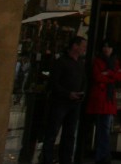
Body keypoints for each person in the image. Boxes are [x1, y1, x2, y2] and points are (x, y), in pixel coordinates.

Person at [41, 36, 86, 164]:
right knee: (52, 133)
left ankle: (66, 160)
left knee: (69, 134)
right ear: (75, 46)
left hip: (74, 103)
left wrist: (81, 93)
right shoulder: (61, 62)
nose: (84, 49)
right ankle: (47, 160)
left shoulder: (80, 63)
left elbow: (84, 80)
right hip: (60, 103)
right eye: (82, 46)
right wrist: (67, 94)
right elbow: (53, 83)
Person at [87, 41, 121, 164]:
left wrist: (108, 73)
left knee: (105, 128)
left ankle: (103, 154)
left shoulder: (114, 62)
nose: (106, 49)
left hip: (108, 100)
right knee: (101, 129)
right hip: (99, 99)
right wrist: (112, 75)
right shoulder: (97, 61)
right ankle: (101, 154)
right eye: (104, 46)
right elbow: (97, 77)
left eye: (109, 46)